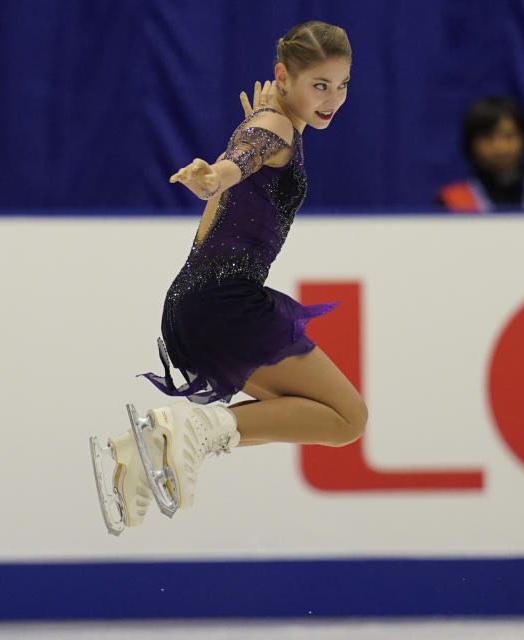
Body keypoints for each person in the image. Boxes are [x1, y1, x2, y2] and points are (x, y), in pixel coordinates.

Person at [88, 21, 366, 534]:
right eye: (319, 85)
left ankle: (152, 441)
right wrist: (218, 174)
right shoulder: (273, 128)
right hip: (224, 303)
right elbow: (245, 157)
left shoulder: (273, 119)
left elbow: (253, 145)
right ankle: (183, 430)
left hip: (195, 306)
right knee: (348, 419)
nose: (333, 98)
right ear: (284, 76)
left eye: (342, 84)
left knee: (317, 413)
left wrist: (255, 138)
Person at [438, 97, 524, 213]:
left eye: (508, 136)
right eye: (487, 138)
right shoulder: (451, 201)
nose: (500, 147)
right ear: (471, 144)